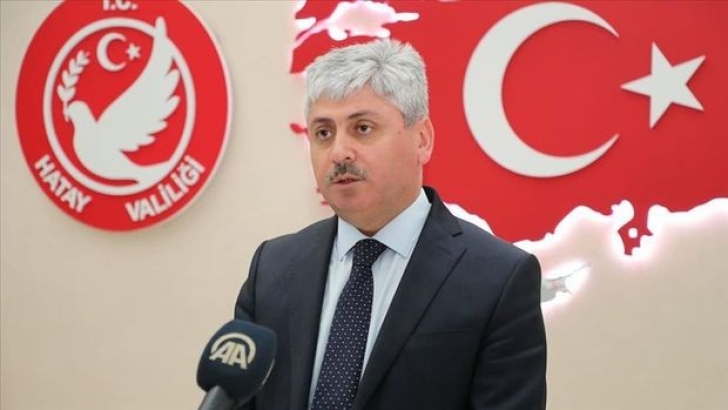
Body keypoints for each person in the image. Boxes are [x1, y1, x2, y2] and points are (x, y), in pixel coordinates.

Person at [234, 39, 546, 410]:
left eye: (363, 128)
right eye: (323, 133)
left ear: (422, 139)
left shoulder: (498, 279)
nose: (339, 152)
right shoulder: (273, 268)